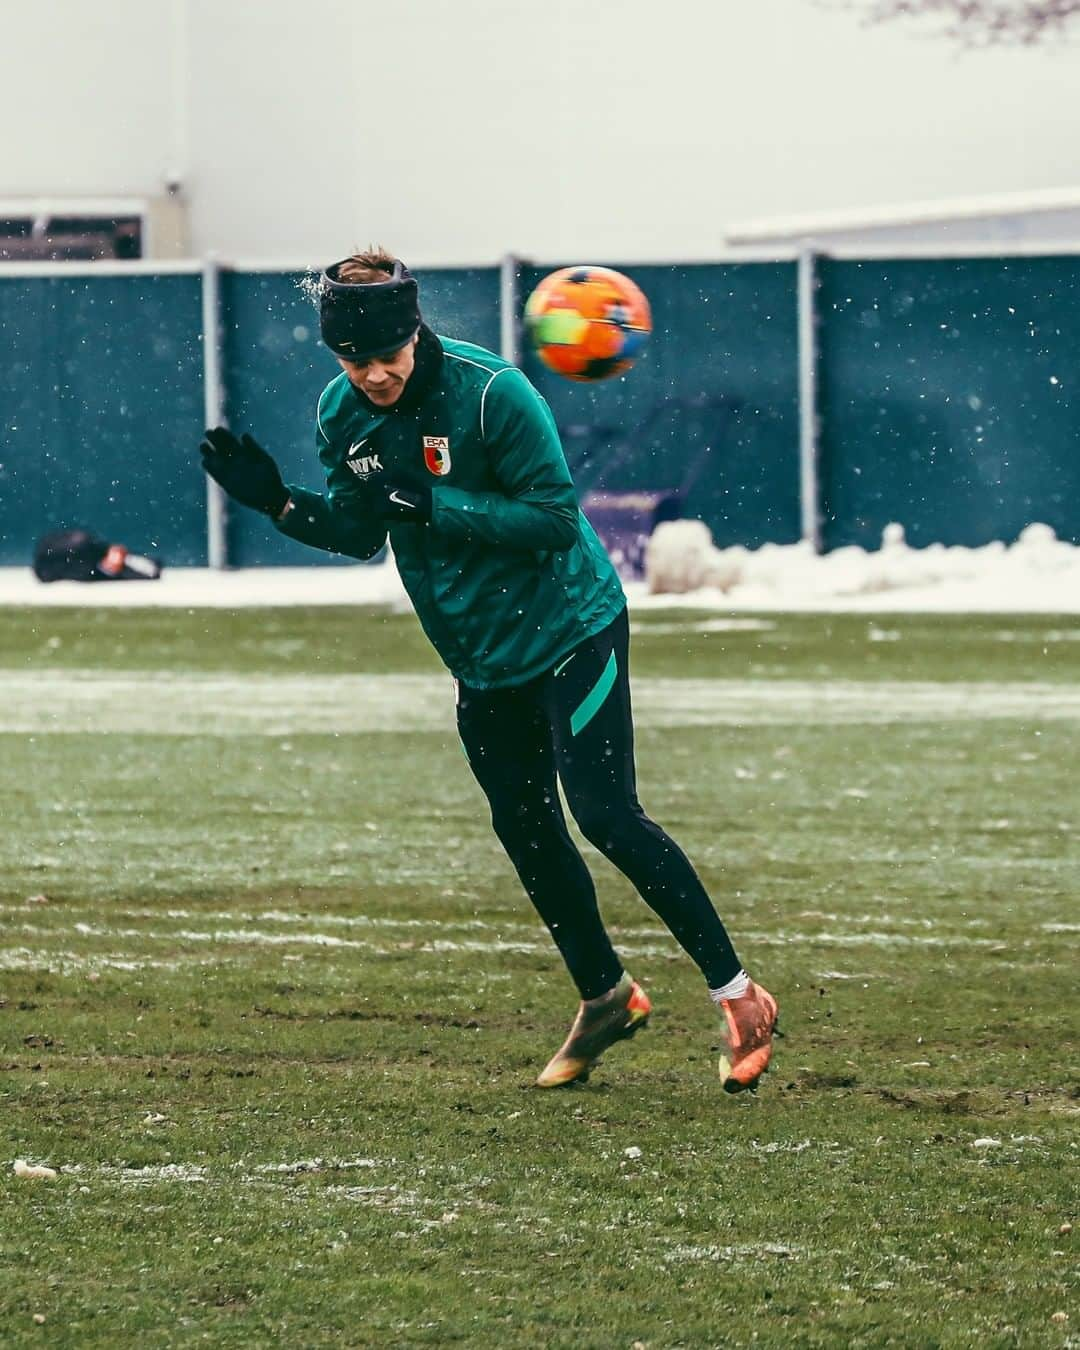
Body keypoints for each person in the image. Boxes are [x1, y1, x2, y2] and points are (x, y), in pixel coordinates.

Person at [199, 248, 778, 1092]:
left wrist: (435, 503)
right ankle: (606, 996)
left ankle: (740, 994)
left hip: (571, 629)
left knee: (606, 815)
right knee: (524, 824)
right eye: (352, 361)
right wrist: (279, 504)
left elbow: (551, 518)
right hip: (480, 655)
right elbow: (363, 531)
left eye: (385, 356)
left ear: (413, 330)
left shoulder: (492, 393)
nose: (372, 376)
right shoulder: (343, 412)